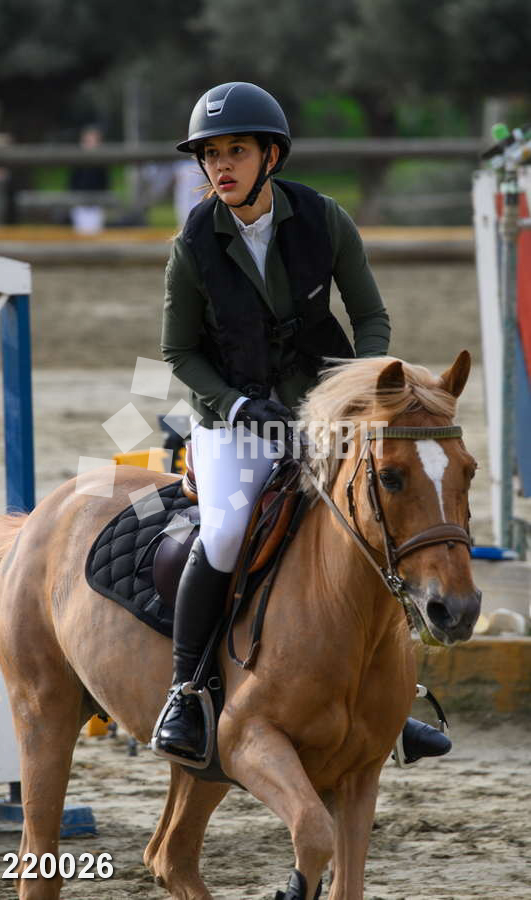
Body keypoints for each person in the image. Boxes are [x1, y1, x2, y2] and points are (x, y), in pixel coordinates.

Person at [155, 81, 450, 766]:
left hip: (324, 409)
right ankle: (185, 693)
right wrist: (236, 406)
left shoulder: (324, 219)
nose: (220, 166)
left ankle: (393, 702)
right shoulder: (192, 243)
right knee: (225, 532)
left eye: (235, 151)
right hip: (230, 419)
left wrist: (360, 387)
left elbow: (369, 315)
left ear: (271, 156)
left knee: (373, 519)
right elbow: (179, 353)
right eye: (210, 155)